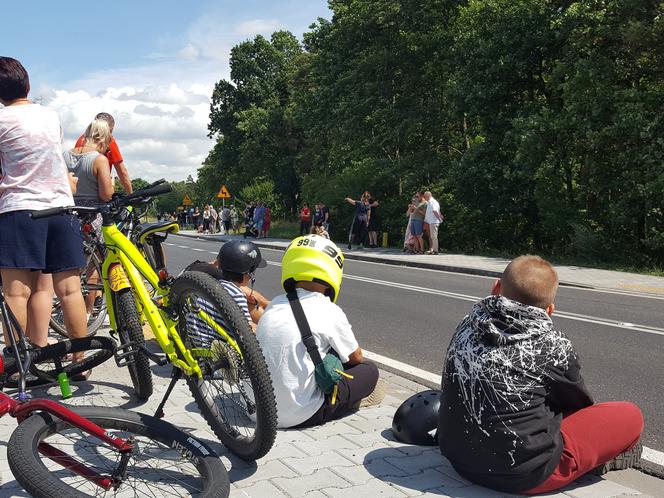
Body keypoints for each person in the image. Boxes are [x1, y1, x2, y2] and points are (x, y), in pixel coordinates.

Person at [438, 255, 643, 494]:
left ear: (495, 287)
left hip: (457, 459)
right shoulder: (553, 346)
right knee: (630, 414)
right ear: (550, 310)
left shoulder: (467, 323)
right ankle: (590, 461)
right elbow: (577, 405)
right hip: (523, 475)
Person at [0, 56, 87, 353]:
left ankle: (17, 364)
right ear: (27, 83)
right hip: (61, 208)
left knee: (16, 292)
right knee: (69, 289)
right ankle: (80, 359)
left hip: (20, 209)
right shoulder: (51, 116)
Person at [256, 235, 384, 428]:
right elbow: (356, 358)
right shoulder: (329, 309)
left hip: (257, 411)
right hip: (301, 414)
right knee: (370, 370)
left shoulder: (275, 303)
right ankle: (347, 402)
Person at [63, 118, 115, 320]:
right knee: (94, 263)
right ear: (103, 139)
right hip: (92, 214)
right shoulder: (99, 159)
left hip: (69, 212)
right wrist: (111, 182)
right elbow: (106, 194)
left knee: (72, 263)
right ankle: (87, 309)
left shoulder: (65, 155)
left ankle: (69, 306)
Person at [189, 240, 269, 333]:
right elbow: (247, 332)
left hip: (194, 339)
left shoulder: (211, 285)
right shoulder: (234, 293)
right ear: (249, 272)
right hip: (210, 345)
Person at [75, 112, 132, 194]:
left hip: (77, 193)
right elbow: (122, 173)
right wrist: (131, 196)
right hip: (97, 194)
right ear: (110, 130)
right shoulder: (110, 142)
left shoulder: (80, 140)